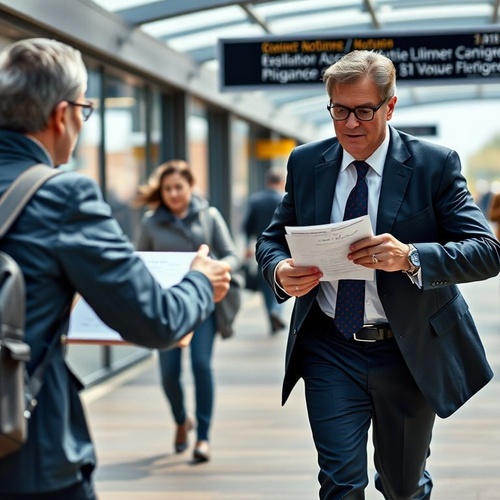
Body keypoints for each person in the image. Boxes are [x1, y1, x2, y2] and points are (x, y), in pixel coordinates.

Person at [255, 49, 500, 499]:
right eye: (339, 111)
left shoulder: (434, 164)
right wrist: (280, 269)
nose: (350, 124)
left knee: (402, 487)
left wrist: (410, 257)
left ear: (390, 106)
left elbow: (487, 251)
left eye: (364, 111)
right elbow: (270, 241)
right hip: (330, 348)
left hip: (407, 353)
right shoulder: (307, 163)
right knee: (339, 484)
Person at [0, 38, 231, 500]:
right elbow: (158, 319)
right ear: (61, 116)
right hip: (26, 455)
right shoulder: (63, 196)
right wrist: (201, 282)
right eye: (85, 111)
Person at [135, 159, 239, 463]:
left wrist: (219, 268)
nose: (173, 193)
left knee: (201, 366)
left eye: (178, 187)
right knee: (169, 373)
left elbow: (231, 252)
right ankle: (182, 420)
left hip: (202, 305)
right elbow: (138, 260)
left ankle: (203, 437)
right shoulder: (150, 222)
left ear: (190, 187)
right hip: (165, 307)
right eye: (167, 188)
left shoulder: (209, 216)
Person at [243, 167, 286, 334]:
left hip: (262, 248)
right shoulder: (283, 199)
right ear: (281, 182)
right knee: (281, 281)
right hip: (284, 247)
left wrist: (247, 245)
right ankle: (276, 310)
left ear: (267, 182)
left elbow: (248, 226)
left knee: (266, 283)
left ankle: (271, 312)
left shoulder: (256, 200)